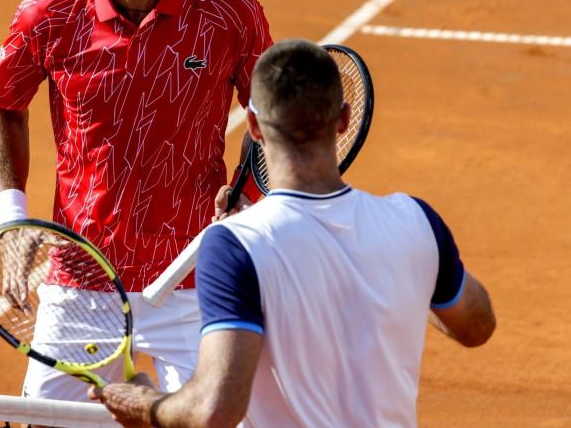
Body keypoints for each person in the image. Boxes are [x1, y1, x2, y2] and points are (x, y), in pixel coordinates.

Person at [0, 0, 272, 403]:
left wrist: (252, 195)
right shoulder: (49, 14)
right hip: (82, 277)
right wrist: (10, 220)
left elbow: (268, 120)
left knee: (217, 419)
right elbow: (5, 104)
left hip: (195, 279)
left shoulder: (231, 13)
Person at [91, 39, 497, 427]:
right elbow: (477, 325)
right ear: (342, 119)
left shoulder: (235, 246)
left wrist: (145, 404)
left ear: (252, 124)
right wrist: (408, 272)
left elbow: (213, 411)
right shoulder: (415, 223)